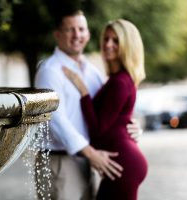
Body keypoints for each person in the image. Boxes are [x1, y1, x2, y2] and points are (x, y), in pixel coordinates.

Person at [34, 10, 142, 200]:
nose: (77, 35)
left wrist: (132, 127)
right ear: (58, 34)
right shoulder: (49, 70)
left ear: (88, 34)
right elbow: (56, 120)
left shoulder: (93, 72)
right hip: (59, 162)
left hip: (87, 161)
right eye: (70, 29)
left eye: (81, 29)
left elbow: (109, 112)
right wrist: (91, 153)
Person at [62, 19, 148, 200]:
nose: (108, 44)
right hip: (121, 164)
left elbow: (98, 130)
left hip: (123, 165)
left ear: (127, 45)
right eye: (106, 39)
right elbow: (120, 118)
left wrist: (83, 92)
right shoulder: (117, 79)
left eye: (116, 40)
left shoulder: (120, 82)